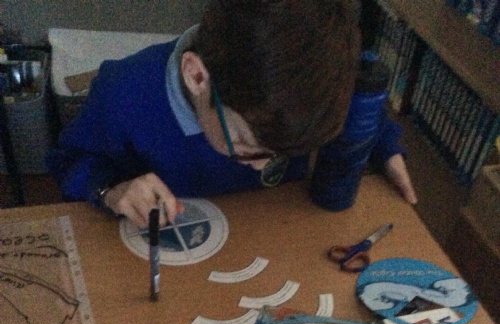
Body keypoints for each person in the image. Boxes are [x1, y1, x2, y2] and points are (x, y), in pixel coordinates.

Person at [47, 0, 417, 229]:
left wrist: (382, 144)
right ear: (197, 77)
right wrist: (110, 190)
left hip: (270, 235)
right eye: (245, 143)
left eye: (283, 153)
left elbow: (350, 102)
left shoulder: (303, 85)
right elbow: (67, 163)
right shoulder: (123, 93)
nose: (263, 167)